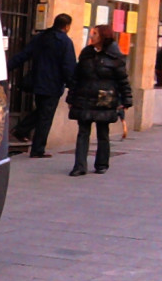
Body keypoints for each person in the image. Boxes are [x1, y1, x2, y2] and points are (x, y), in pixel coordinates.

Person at [66, 23, 133, 176]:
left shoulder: (114, 56)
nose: (91, 36)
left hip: (105, 98)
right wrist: (71, 97)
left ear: (103, 36)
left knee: (103, 132)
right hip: (85, 96)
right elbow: (76, 77)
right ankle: (79, 166)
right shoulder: (87, 53)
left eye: (95, 34)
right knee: (83, 132)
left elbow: (123, 79)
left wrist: (126, 99)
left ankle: (102, 163)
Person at [7, 13, 77, 158]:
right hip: (53, 84)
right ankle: (37, 149)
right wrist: (72, 85)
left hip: (37, 82)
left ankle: (21, 130)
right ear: (67, 26)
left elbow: (24, 55)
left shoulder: (41, 37)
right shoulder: (65, 42)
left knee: (41, 111)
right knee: (45, 116)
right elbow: (68, 66)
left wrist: (7, 67)